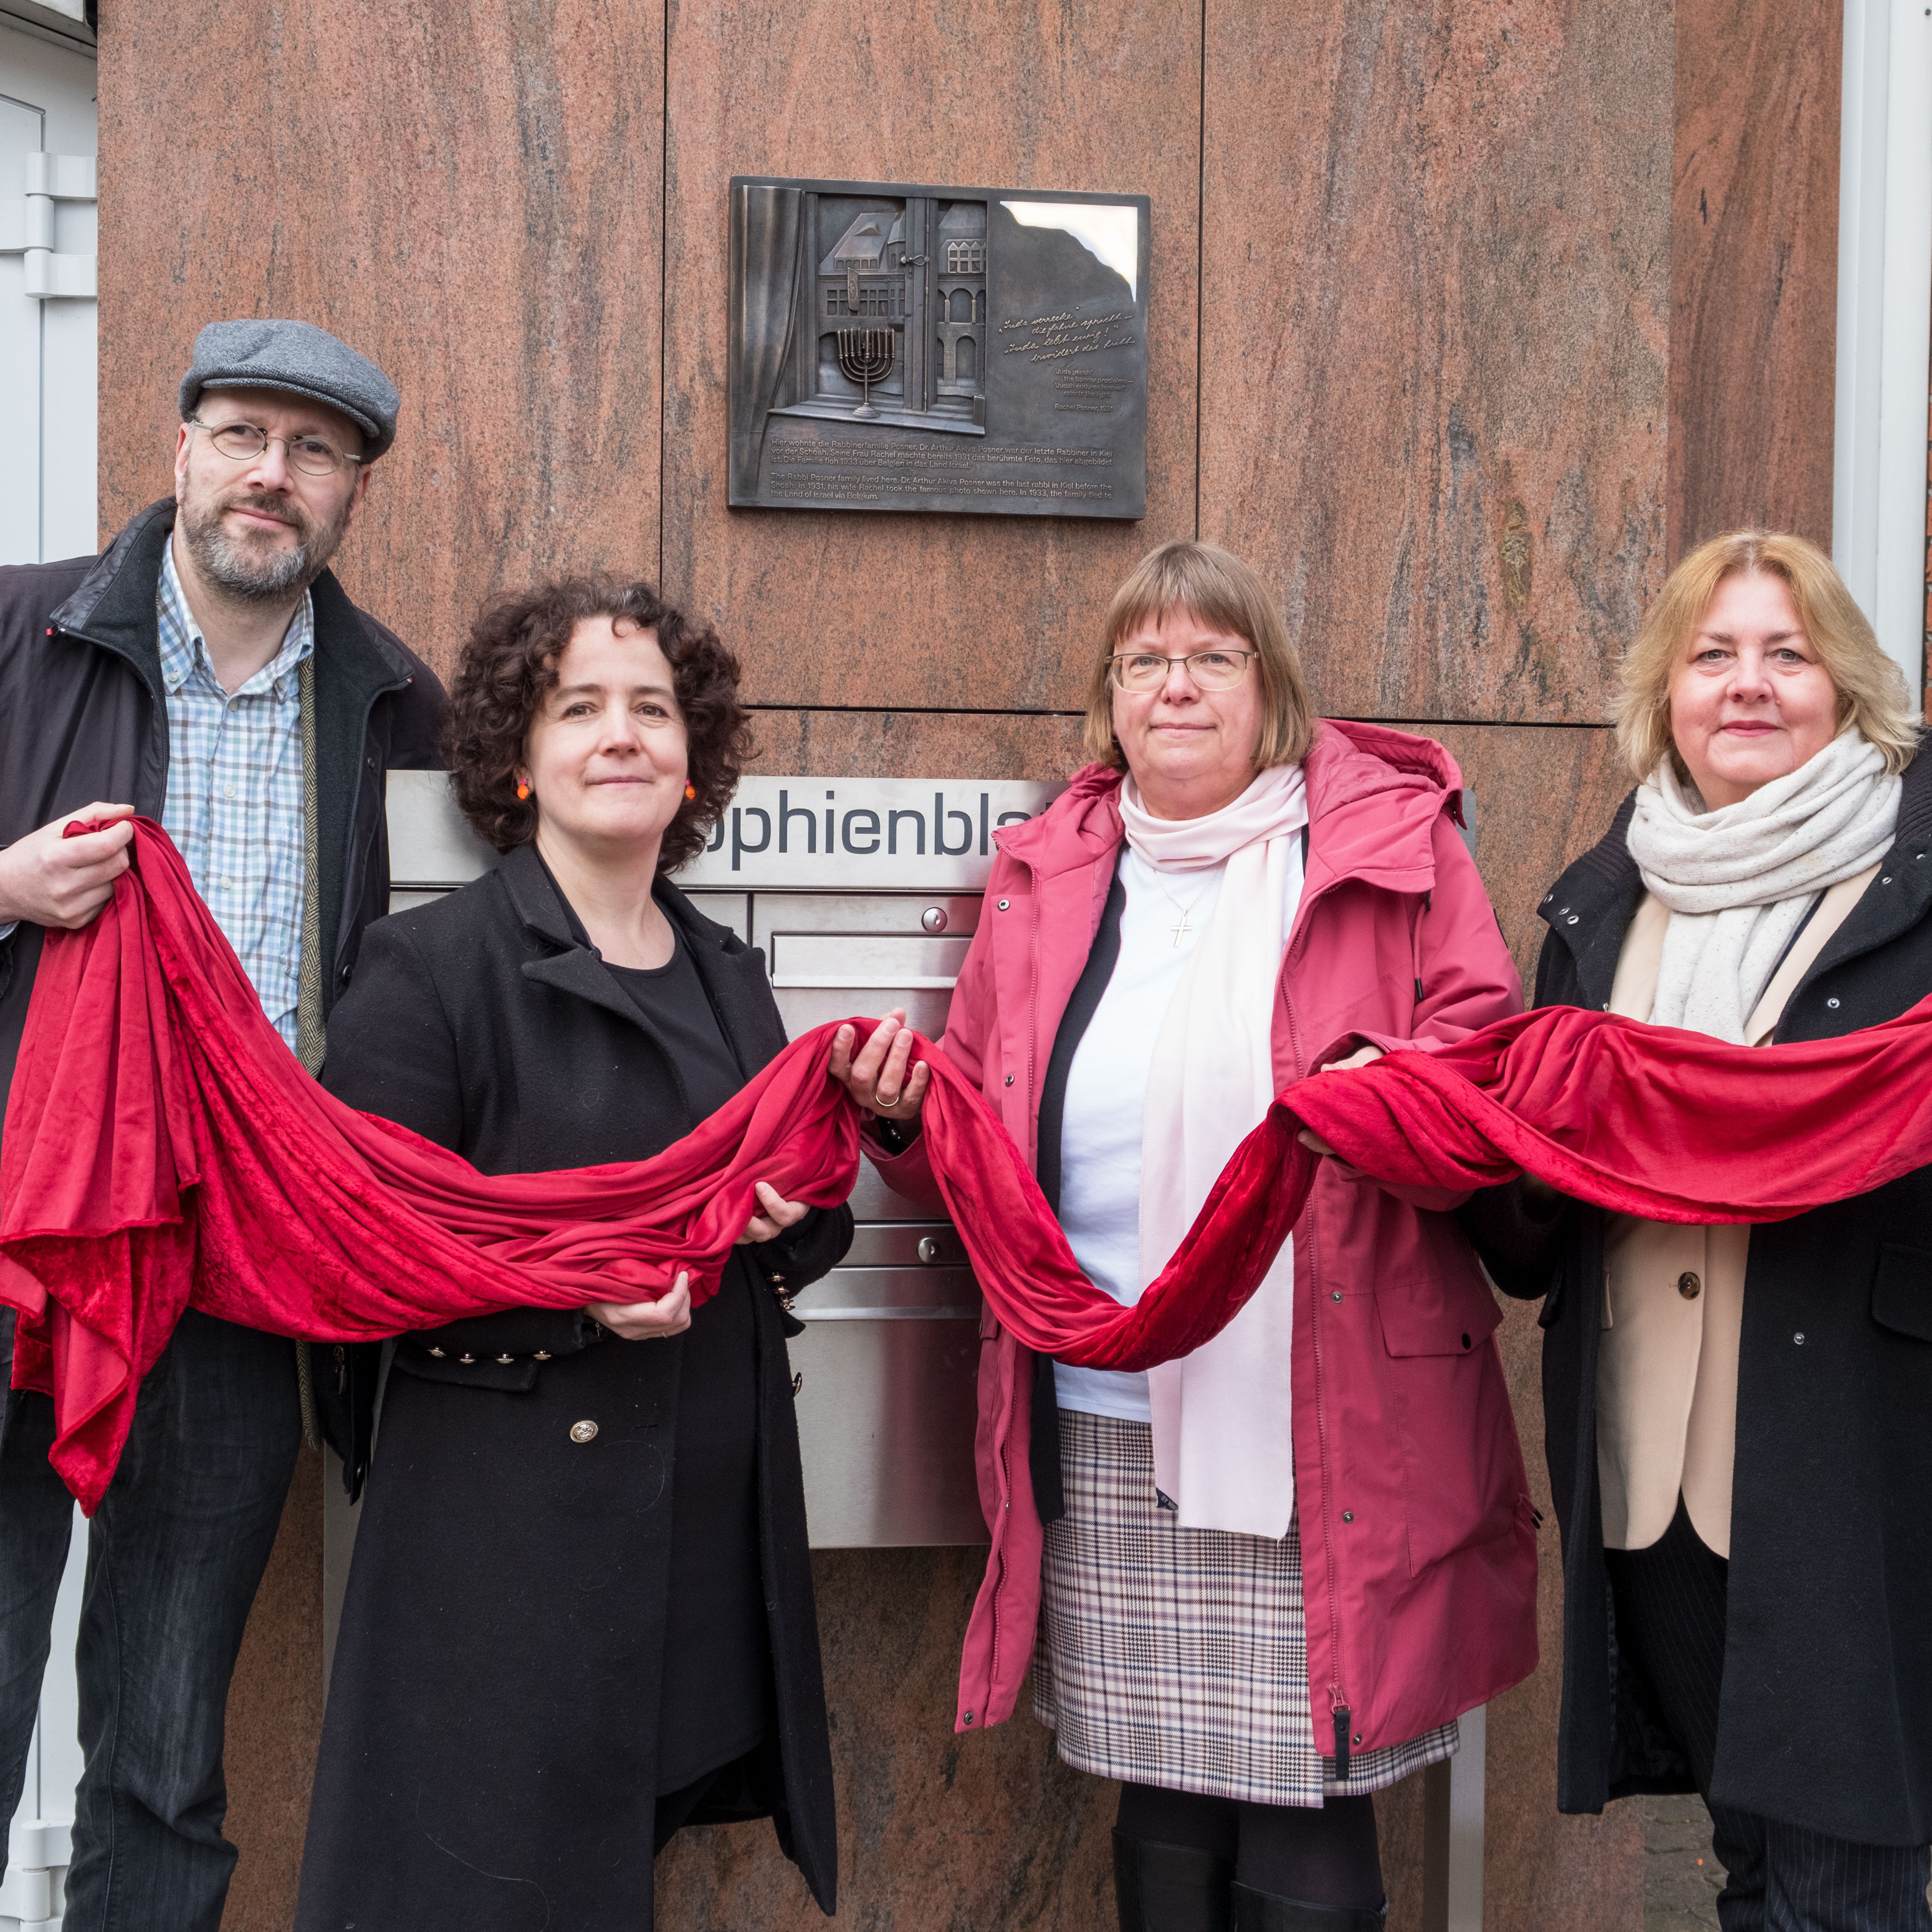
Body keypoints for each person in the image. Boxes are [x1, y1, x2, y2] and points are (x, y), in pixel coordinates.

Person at [830, 540, 1536, 1932]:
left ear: (1266, 686)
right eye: (1144, 658)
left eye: (1211, 655)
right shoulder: (1048, 873)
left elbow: (1485, 1072)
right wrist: (905, 1126)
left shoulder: (1388, 848)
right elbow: (980, 1125)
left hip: (1315, 1406)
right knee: (1153, 1795)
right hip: (1104, 1407)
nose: (1176, 684)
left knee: (1305, 1799)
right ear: (1108, 694)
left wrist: (1376, 1094)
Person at [295, 576, 848, 1931]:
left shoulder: (726, 971)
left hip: (701, 1532)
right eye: (578, 707)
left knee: (617, 1859)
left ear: (690, 757)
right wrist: (574, 1304)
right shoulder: (428, 965)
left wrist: (804, 1200)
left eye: (652, 709)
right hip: (510, 1549)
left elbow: (796, 1227)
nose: (621, 736)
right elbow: (356, 1256)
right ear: (517, 761)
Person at [0, 318, 442, 1929]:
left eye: (315, 451)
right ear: (180, 449)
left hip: (239, 1269)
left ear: (352, 498)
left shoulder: (401, 713)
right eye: (245, 433)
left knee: (169, 1737)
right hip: (20, 1238)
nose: (275, 473)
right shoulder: (15, 632)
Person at [1463, 531, 1932, 1930]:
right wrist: (1513, 1148)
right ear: (1662, 690)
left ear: (1846, 685)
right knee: (1748, 1863)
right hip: (1652, 1475)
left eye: (1784, 653)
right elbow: (1524, 1241)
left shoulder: (1914, 883)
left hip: (1847, 1459)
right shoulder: (1603, 901)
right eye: (1710, 654)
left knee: (1846, 1882)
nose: (1747, 684)